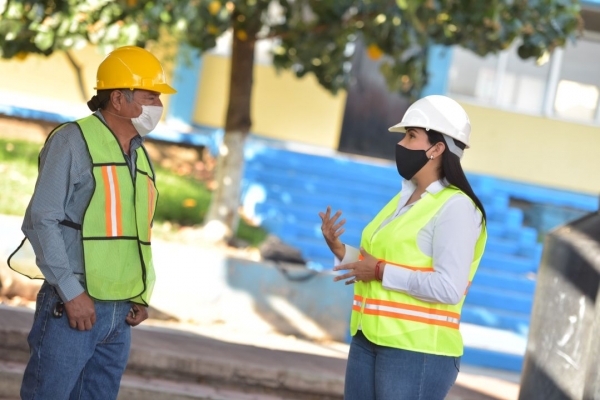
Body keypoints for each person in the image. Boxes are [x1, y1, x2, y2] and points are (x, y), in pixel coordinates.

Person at [11, 46, 176, 399]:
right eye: (150, 95)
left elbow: (136, 232)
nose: (157, 105)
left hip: (120, 313)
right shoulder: (72, 140)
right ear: (118, 98)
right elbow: (42, 220)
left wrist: (141, 293)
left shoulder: (140, 153)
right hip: (74, 305)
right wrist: (71, 293)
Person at [319, 95, 487, 400]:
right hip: (368, 338)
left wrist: (381, 271)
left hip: (417, 352)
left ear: (437, 148)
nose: (402, 144)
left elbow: (448, 287)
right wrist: (340, 249)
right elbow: (377, 263)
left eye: (411, 136)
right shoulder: (405, 199)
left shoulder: (457, 208)